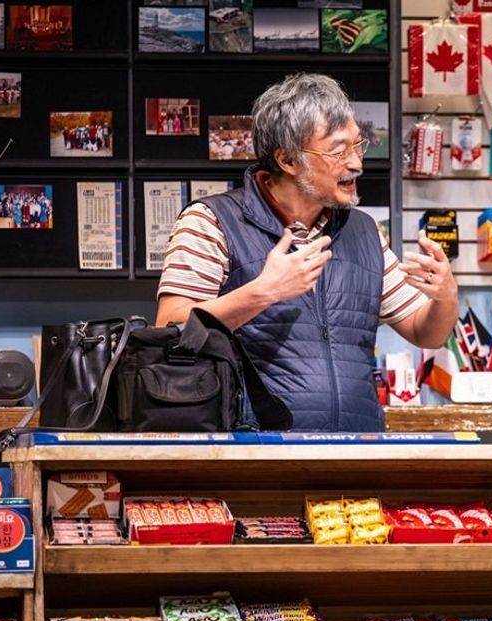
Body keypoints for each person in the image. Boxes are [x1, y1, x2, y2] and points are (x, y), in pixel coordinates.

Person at [156, 73, 458, 431]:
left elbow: (426, 333)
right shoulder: (211, 221)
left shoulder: (365, 232)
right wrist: (263, 292)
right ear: (287, 160)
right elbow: (171, 329)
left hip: (357, 451)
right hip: (253, 456)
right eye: (338, 150)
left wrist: (446, 297)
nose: (357, 163)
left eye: (358, 146)